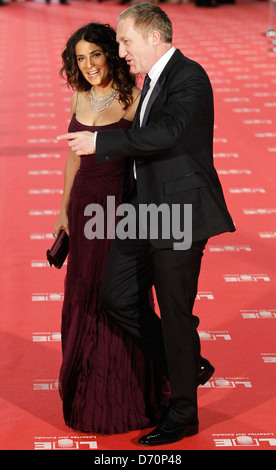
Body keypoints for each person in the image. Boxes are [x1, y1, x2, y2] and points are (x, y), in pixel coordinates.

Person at [57, 5, 235, 446]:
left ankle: (183, 414)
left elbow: (168, 133)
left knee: (175, 316)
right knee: (117, 296)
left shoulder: (190, 77)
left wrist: (101, 142)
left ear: (153, 37)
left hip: (178, 216)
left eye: (125, 41)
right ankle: (187, 366)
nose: (120, 50)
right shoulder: (150, 81)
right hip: (142, 212)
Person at [54, 22, 170, 435]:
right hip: (84, 210)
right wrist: (64, 210)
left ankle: (126, 397)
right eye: (80, 59)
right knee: (83, 292)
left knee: (118, 296)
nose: (88, 66)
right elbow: (73, 159)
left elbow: (148, 157)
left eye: (95, 55)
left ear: (111, 55)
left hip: (117, 211)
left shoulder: (135, 100)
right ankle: (86, 393)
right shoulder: (80, 96)